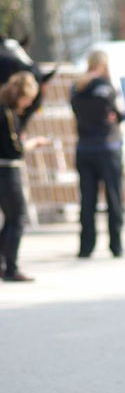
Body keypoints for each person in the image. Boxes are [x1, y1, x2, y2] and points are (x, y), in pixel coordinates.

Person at [70, 50, 125, 258]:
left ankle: (86, 246)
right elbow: (118, 114)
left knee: (87, 200)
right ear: (103, 65)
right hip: (107, 147)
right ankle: (116, 245)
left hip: (84, 147)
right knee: (113, 197)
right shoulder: (106, 86)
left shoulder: (76, 87)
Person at [0, 71, 50, 281]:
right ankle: (11, 267)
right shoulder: (7, 114)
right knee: (17, 218)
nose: (29, 104)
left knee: (9, 220)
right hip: (7, 170)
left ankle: (4, 264)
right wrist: (32, 143)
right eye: (28, 99)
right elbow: (15, 149)